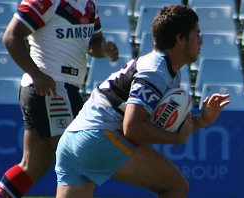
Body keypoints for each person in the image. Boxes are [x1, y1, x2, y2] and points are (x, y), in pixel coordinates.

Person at [55, 4, 230, 198]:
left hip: (71, 140)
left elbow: (168, 125)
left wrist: (202, 121)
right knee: (176, 187)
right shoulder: (156, 72)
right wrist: (176, 140)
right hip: (97, 137)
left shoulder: (163, 68)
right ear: (180, 39)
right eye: (197, 34)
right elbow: (133, 127)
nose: (201, 41)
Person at [0, 0, 119, 197]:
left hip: (60, 89)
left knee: (32, 166)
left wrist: (103, 48)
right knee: (78, 165)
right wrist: (36, 74)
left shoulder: (89, 5)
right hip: (53, 88)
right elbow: (12, 36)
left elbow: (93, 43)